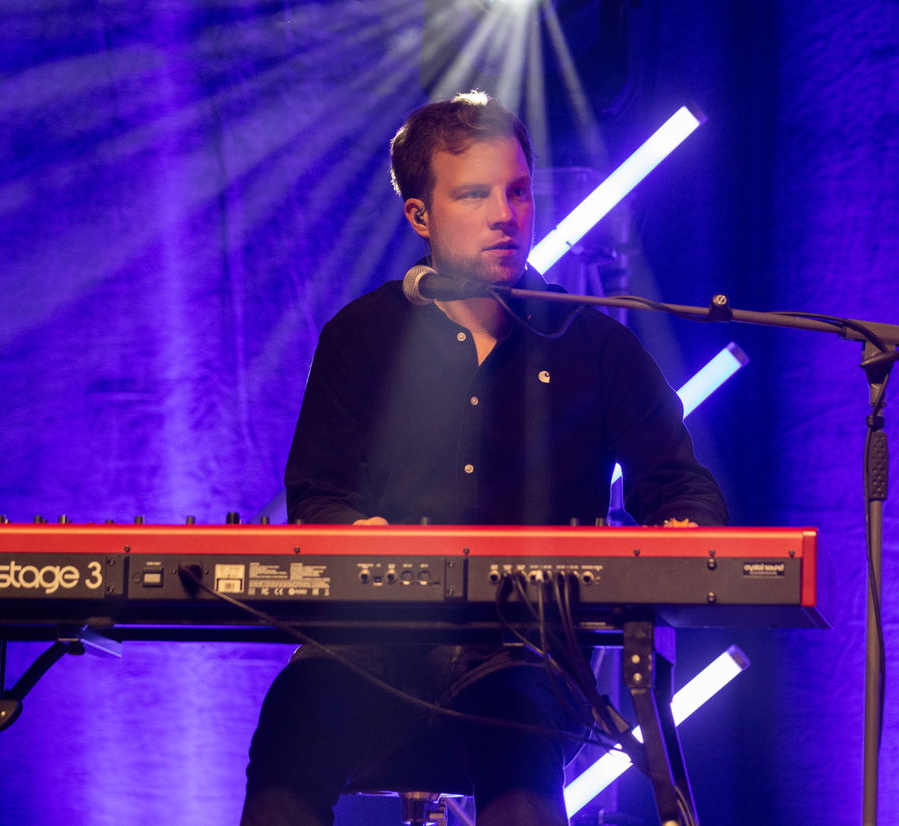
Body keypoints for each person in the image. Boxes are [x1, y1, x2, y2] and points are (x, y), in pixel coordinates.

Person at [242, 91, 727, 826]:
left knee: (516, 728)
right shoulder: (361, 337)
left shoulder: (591, 344)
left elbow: (679, 484)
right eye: (475, 194)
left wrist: (684, 529)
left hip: (524, 656)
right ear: (421, 216)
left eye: (519, 191)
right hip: (373, 648)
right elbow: (317, 493)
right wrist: (357, 531)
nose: (507, 213)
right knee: (295, 718)